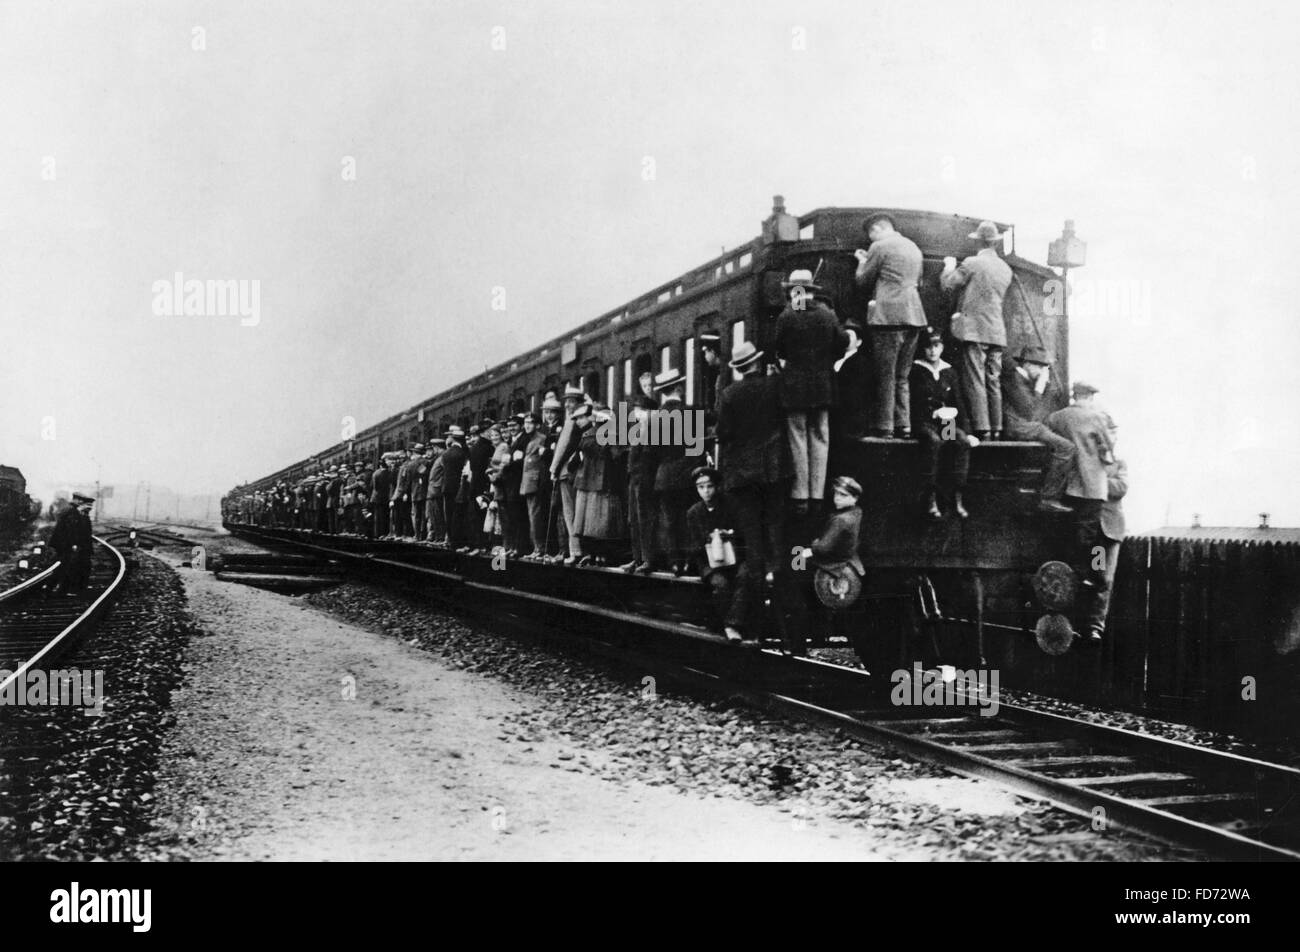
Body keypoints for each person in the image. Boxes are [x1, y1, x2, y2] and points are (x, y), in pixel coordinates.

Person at [774, 269, 850, 512]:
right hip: (824, 386)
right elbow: (842, 345)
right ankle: (817, 495)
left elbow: (780, 350)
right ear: (812, 291)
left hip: (795, 387)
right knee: (820, 437)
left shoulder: (787, 316)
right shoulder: (828, 315)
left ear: (792, 291)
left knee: (798, 438)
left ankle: (800, 496)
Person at [1047, 381, 1118, 640]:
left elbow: (1049, 429)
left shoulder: (1059, 416)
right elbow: (1109, 446)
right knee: (1091, 535)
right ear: (1088, 396)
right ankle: (1091, 576)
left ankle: (1078, 577)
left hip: (1069, 483)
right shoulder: (1098, 416)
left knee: (1075, 532)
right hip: (1092, 485)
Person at [715, 341, 791, 584]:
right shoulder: (775, 385)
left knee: (752, 531)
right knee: (775, 523)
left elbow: (723, 432)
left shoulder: (729, 393)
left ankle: (757, 581)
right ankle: (778, 575)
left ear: (738, 368)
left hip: (743, 474)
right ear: (757, 362)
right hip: (773, 468)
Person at [854, 214, 927, 439]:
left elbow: (863, 280)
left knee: (886, 374)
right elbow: (920, 280)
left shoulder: (879, 245)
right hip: (914, 316)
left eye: (871, 234)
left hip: (888, 318)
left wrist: (861, 261)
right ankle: (904, 425)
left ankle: (885, 426)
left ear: (877, 229)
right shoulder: (914, 247)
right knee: (902, 375)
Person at [940, 220, 1013, 440]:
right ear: (995, 243)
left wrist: (948, 266)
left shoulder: (972, 263)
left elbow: (948, 284)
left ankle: (982, 429)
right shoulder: (1005, 268)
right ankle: (996, 428)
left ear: (978, 241)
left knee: (975, 379)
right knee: (993, 380)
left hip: (975, 331)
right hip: (997, 333)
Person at [909, 328, 980, 519]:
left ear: (942, 347)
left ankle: (956, 496)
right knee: (933, 441)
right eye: (928, 347)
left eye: (936, 345)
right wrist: (933, 413)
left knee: (960, 441)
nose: (932, 351)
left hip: (946, 423)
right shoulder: (916, 370)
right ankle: (930, 497)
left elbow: (958, 402)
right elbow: (912, 402)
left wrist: (967, 430)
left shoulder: (949, 371)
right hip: (925, 422)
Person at [789, 476, 864, 655]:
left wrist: (811, 546)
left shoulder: (841, 520)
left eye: (843, 495)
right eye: (837, 494)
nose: (837, 498)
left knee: (796, 580)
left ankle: (801, 639)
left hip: (830, 566)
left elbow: (823, 547)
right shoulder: (856, 513)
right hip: (844, 561)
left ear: (854, 498)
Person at [1000, 344, 1074, 513]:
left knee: (1063, 445)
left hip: (1028, 425)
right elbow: (1029, 411)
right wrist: (1040, 386)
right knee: (1066, 447)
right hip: (1018, 426)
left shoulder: (1023, 379)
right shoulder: (1013, 378)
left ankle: (1048, 495)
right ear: (1027, 364)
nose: (1042, 372)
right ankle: (1048, 497)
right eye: (1039, 366)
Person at [685, 466, 753, 643]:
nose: (706, 491)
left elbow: (743, 534)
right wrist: (708, 540)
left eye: (709, 486)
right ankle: (728, 625)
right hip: (709, 563)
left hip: (733, 558)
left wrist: (728, 535)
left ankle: (733, 624)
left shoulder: (731, 505)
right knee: (720, 584)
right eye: (701, 487)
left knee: (745, 575)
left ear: (716, 487)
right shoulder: (693, 513)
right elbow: (692, 546)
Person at [650, 369, 698, 575]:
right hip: (687, 473)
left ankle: (674, 562)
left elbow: (651, 452)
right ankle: (688, 560)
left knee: (669, 520)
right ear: (679, 388)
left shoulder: (656, 417)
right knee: (687, 517)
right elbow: (696, 448)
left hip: (664, 475)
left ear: (662, 392)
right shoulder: (689, 412)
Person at [573, 405, 627, 565]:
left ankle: (594, 553)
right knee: (601, 522)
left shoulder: (588, 435)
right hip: (601, 482)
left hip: (590, 482)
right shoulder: (604, 434)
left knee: (591, 522)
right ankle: (598, 555)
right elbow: (613, 454)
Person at [620, 395, 661, 574]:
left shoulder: (653, 429)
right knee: (634, 520)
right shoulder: (639, 429)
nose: (637, 413)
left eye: (641, 410)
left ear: (651, 412)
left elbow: (650, 457)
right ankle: (637, 558)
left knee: (645, 519)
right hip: (635, 478)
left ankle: (648, 559)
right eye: (636, 410)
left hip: (645, 478)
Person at [548, 386, 586, 563]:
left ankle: (575, 551)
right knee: (572, 512)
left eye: (571, 401)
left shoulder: (571, 421)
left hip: (566, 472)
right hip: (572, 472)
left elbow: (563, 448)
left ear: (578, 403)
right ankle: (575, 550)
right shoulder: (576, 420)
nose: (568, 405)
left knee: (570, 513)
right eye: (567, 402)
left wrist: (553, 469)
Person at [518, 413, 549, 558]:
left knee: (535, 516)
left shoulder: (541, 439)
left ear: (537, 425)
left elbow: (541, 465)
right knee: (532, 516)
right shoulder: (529, 440)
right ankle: (536, 548)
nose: (527, 425)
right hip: (528, 483)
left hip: (535, 483)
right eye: (525, 422)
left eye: (530, 422)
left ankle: (539, 548)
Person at [50, 493, 94, 594]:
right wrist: (74, 544)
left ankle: (71, 588)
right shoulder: (72, 513)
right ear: (79, 503)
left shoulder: (80, 514)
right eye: (87, 505)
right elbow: (71, 531)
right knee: (67, 566)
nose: (90, 507)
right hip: (66, 545)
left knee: (71, 566)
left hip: (72, 545)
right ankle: (60, 589)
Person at [440, 427, 468, 548]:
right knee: (458, 515)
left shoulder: (446, 454)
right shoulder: (463, 453)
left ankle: (450, 539)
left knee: (449, 514)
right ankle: (458, 541)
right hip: (458, 488)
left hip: (446, 487)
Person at [424, 438, 447, 544]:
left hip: (437, 490)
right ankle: (438, 537)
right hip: (433, 491)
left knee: (438, 516)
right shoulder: (437, 458)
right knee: (434, 515)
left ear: (437, 448)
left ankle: (440, 537)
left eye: (433, 448)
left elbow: (446, 472)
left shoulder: (442, 458)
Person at [371, 454, 394, 538]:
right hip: (385, 497)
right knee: (385, 516)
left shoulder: (375, 473)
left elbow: (374, 487)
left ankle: (377, 533)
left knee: (377, 516)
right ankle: (384, 533)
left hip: (376, 497)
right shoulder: (389, 473)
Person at [411, 444, 431, 540]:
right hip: (424, 490)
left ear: (415, 453)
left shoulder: (412, 463)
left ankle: (417, 535)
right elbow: (424, 474)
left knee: (416, 515)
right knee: (424, 514)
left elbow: (411, 476)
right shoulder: (426, 462)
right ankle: (423, 535)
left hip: (415, 491)